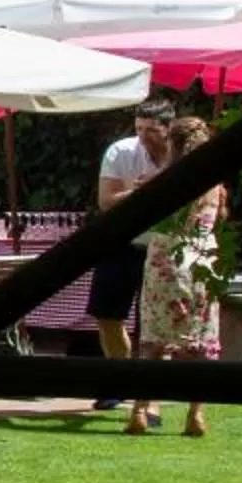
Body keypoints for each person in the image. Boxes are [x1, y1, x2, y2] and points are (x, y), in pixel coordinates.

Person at [130, 115, 224, 438]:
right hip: (202, 261)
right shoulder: (215, 184)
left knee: (154, 342)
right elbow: (220, 219)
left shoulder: (165, 180)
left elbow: (150, 218)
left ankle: (140, 410)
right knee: (200, 342)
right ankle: (196, 413)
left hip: (165, 261)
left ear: (173, 143)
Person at [89, 99, 176, 410]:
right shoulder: (121, 151)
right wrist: (138, 191)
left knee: (156, 323)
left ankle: (150, 395)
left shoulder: (182, 154)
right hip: (122, 242)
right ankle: (120, 379)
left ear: (168, 129)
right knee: (106, 313)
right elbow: (106, 201)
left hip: (165, 246)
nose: (143, 137)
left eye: (151, 131)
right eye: (139, 129)